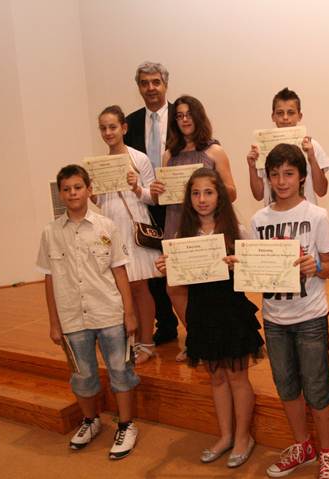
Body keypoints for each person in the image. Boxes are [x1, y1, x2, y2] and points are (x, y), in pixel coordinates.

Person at [155, 168, 262, 468]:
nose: (202, 199)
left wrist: (239, 265)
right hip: (201, 313)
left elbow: (255, 273)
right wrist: (167, 268)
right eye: (196, 193)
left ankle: (243, 437)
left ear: (220, 196)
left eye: (208, 192)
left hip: (231, 312)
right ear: (189, 198)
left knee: (237, 377)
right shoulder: (182, 237)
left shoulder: (237, 230)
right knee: (216, 378)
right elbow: (179, 283)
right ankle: (225, 435)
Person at [36, 165, 140, 460]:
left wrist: (129, 314)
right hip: (72, 317)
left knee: (121, 371)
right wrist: (54, 322)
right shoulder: (50, 233)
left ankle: (126, 424)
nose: (73, 193)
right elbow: (49, 279)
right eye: (67, 189)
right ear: (60, 193)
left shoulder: (106, 226)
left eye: (78, 187)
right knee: (82, 375)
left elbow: (119, 272)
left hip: (108, 313)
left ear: (89, 190)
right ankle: (90, 420)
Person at [251, 144, 329, 479]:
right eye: (275, 174)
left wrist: (315, 266)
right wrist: (242, 266)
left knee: (317, 389)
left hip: (310, 317)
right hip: (274, 318)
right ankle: (303, 446)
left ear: (302, 176)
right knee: (286, 386)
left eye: (288, 173)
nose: (281, 181)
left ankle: (328, 454)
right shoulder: (258, 220)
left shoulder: (316, 216)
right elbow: (257, 269)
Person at [150, 95, 237, 353]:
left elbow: (232, 192)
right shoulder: (169, 155)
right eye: (179, 116)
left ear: (198, 116)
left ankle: (213, 336)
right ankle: (195, 336)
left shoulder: (214, 151)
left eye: (189, 114)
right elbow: (163, 198)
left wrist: (206, 188)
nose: (184, 120)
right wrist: (158, 191)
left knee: (209, 285)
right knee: (175, 287)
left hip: (208, 226)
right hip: (177, 224)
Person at [93, 105, 158, 363]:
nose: (108, 132)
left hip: (133, 228)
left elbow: (154, 197)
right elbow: (102, 202)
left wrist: (137, 187)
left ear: (124, 128)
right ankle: (131, 341)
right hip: (111, 229)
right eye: (103, 128)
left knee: (139, 287)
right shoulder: (99, 164)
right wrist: (93, 196)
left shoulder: (138, 158)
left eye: (112, 127)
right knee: (121, 289)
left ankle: (147, 342)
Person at [124, 61, 179, 346]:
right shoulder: (130, 122)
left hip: (180, 203)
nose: (151, 88)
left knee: (182, 261)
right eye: (144, 83)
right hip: (145, 204)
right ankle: (166, 324)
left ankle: (196, 325)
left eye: (156, 82)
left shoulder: (182, 116)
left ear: (165, 84)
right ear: (139, 87)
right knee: (154, 265)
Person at [246, 87, 329, 204]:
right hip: (273, 213)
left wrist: (311, 158)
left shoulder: (312, 146)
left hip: (305, 213)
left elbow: (322, 191)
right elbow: (258, 195)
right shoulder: (262, 148)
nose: (285, 118)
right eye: (280, 113)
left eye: (291, 113)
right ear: (273, 116)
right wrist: (252, 167)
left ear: (299, 116)